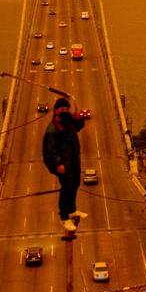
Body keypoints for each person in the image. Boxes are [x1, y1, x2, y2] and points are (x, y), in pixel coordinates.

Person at [42, 97, 88, 232]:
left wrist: (80, 118)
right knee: (67, 187)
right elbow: (51, 150)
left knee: (75, 184)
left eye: (67, 109)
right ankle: (64, 217)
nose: (65, 111)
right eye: (62, 109)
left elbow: (78, 127)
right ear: (56, 111)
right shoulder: (53, 129)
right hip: (63, 163)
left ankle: (72, 210)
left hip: (73, 160)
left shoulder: (68, 122)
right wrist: (58, 164)